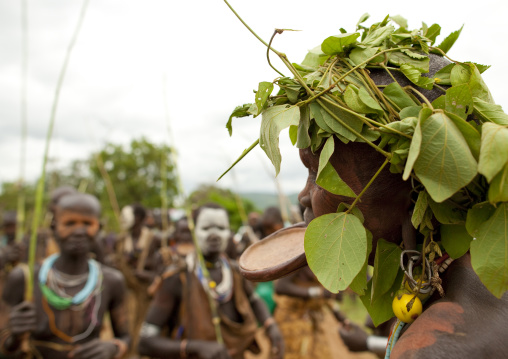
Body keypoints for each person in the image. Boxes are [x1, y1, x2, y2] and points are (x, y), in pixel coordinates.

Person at [138, 203, 284, 359]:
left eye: (221, 229)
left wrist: (270, 325)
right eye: (206, 229)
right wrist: (195, 348)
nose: (214, 235)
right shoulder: (177, 277)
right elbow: (145, 342)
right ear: (194, 231)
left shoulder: (235, 272)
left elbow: (253, 300)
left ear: (229, 232)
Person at [0, 193, 130, 358]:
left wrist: (114, 348)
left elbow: (126, 337)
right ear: (53, 228)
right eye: (70, 223)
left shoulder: (112, 280)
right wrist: (14, 338)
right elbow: (3, 346)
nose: (79, 231)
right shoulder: (25, 278)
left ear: (99, 228)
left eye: (87, 223)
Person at [113, 203, 161, 355]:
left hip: (147, 294)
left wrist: (148, 275)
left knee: (143, 327)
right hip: (127, 293)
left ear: (138, 217)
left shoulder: (154, 239)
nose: (122, 219)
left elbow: (162, 270)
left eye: (125, 215)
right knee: (126, 326)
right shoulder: (120, 241)